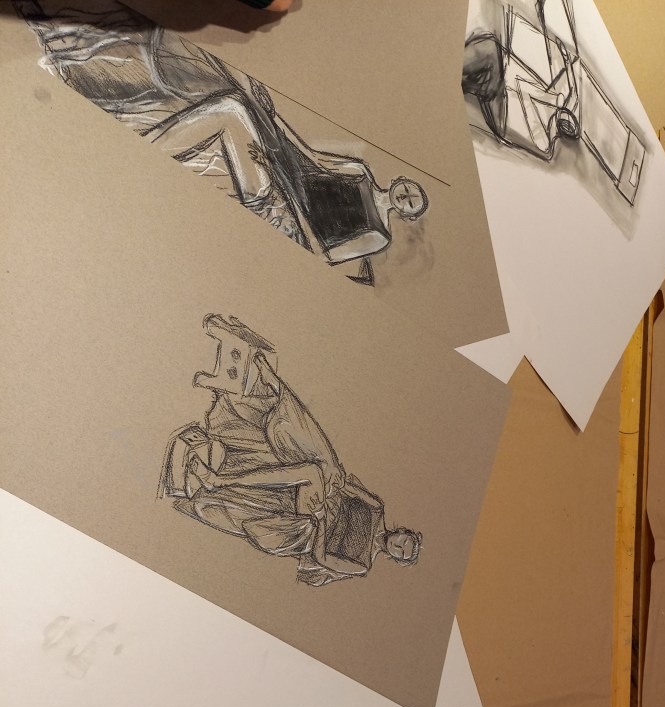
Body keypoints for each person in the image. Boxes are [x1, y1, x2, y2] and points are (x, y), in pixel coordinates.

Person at [16, 1, 428, 282]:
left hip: (283, 221)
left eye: (411, 203)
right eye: (411, 190)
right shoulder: (360, 170)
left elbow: (321, 253)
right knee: (242, 97)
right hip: (282, 180)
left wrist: (282, 209)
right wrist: (271, 121)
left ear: (407, 213)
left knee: (231, 109)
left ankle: (139, 145)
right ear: (402, 182)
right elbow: (308, 158)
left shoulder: (379, 236)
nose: (406, 197)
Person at [160, 314, 422, 586]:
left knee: (313, 471)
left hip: (310, 523)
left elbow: (321, 558)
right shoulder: (376, 508)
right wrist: (337, 484)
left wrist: (321, 522)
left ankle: (221, 480)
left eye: (401, 552)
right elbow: (347, 487)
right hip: (324, 494)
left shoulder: (361, 565)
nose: (398, 546)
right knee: (324, 464)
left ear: (396, 558)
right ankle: (271, 391)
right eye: (404, 541)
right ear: (402, 532)